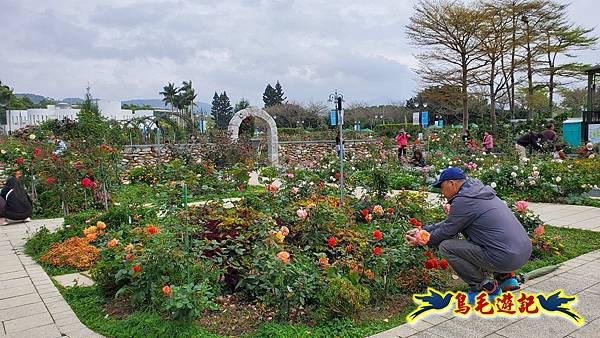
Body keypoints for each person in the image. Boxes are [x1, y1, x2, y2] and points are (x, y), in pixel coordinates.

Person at [405, 167, 532, 304]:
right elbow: (450, 222)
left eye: (442, 187)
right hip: (523, 252)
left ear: (452, 183)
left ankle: (483, 287)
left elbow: (447, 231)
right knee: (484, 235)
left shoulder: (463, 200)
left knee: (447, 247)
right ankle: (505, 278)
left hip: (505, 257)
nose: (442, 192)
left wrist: (420, 240)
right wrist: (423, 230)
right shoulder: (479, 193)